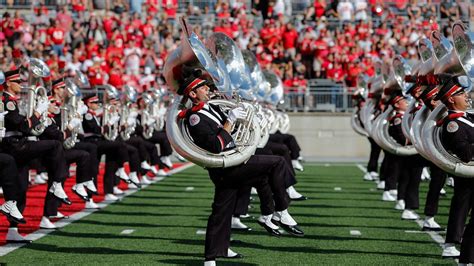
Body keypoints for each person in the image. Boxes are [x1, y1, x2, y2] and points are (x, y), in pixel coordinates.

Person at [177, 71, 304, 265]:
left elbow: (232, 131)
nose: (208, 90)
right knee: (276, 162)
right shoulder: (195, 118)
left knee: (221, 211)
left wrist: (249, 120)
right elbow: (216, 145)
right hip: (226, 167)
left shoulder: (211, 109)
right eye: (202, 88)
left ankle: (211, 257)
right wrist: (230, 120)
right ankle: (280, 211)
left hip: (231, 163)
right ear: (193, 94)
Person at [1, 68, 71, 242]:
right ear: (8, 83)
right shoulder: (6, 101)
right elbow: (23, 126)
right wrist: (39, 112)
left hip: (18, 145)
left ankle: (13, 229)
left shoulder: (14, 101)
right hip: (13, 145)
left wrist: (41, 116)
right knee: (55, 145)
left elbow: (28, 126)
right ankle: (56, 183)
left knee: (22, 188)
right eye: (17, 82)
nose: (21, 85)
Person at [434, 75, 473, 259]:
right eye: (460, 93)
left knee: (462, 206)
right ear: (451, 98)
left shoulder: (467, 117)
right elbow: (466, 154)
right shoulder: (453, 124)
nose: (466, 95)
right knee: (461, 206)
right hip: (468, 173)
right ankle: (452, 244)